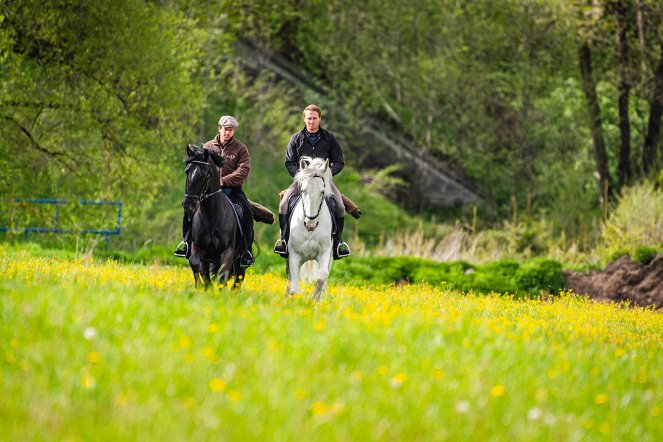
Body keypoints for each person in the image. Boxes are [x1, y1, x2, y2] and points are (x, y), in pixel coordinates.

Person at [175, 115, 255, 267]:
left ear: (234, 131)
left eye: (230, 130)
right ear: (219, 129)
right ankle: (186, 243)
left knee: (247, 213)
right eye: (225, 129)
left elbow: (243, 170)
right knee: (188, 210)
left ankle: (246, 251)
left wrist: (223, 181)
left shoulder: (241, 149)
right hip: (207, 193)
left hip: (232, 191)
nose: (227, 133)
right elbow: (198, 170)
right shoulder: (207, 147)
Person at [274, 104, 350, 259]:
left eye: (315, 118)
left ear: (319, 119)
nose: (311, 121)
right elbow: (289, 162)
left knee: (341, 206)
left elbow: (339, 162)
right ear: (304, 119)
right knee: (283, 205)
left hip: (323, 181)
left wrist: (326, 174)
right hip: (302, 180)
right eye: (309, 118)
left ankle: (338, 243)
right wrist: (301, 176)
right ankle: (283, 240)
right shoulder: (296, 139)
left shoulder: (330, 138)